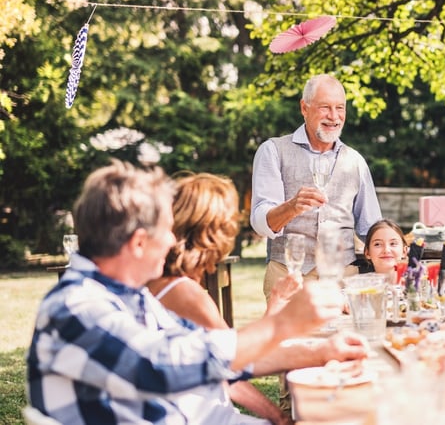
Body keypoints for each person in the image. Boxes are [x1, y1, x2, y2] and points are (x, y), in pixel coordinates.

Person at [27, 160, 347, 424]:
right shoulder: (75, 305)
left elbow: (214, 355)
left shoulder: (130, 298)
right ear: (139, 243)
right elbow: (159, 366)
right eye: (166, 230)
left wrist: (322, 352)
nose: (172, 241)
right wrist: (282, 324)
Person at [147, 173, 366, 423]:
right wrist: (280, 419)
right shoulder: (184, 292)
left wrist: (275, 305)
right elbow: (231, 370)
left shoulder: (164, 284)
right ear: (213, 231)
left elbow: (233, 355)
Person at [250, 74, 382, 305]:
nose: (334, 116)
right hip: (289, 276)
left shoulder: (355, 161)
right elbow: (261, 222)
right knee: (291, 341)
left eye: (340, 108)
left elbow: (370, 226)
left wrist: (393, 243)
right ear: (304, 107)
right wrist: (291, 207)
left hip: (343, 278)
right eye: (325, 108)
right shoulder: (272, 151)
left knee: (344, 340)